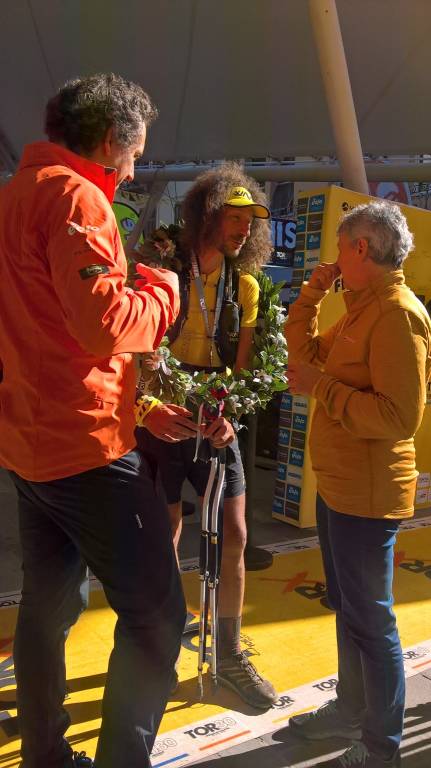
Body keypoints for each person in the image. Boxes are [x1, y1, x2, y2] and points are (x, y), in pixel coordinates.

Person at [0, 73, 186, 768]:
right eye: (136, 155)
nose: (135, 170)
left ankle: (45, 754)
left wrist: (135, 402)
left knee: (45, 613)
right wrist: (163, 291)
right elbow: (106, 323)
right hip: (87, 453)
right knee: (159, 618)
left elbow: (46, 332)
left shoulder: (14, 196)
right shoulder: (78, 197)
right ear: (112, 141)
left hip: (27, 446)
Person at [285, 201, 431, 768]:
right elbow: (303, 355)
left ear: (361, 249)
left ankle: (380, 749)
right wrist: (310, 297)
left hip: (368, 496)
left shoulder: (397, 314)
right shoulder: (359, 309)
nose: (335, 260)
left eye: (340, 248)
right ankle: (349, 711)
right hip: (340, 485)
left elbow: (399, 417)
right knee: (350, 607)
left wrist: (323, 388)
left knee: (371, 618)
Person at [137, 163, 278, 708]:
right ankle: (164, 642)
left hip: (215, 409)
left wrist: (230, 414)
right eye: (232, 217)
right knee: (167, 530)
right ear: (205, 217)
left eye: (249, 220)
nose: (242, 227)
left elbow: (242, 369)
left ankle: (229, 653)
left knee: (236, 533)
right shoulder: (164, 267)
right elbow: (139, 347)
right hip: (163, 406)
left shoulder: (245, 285)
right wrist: (147, 404)